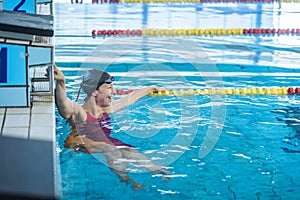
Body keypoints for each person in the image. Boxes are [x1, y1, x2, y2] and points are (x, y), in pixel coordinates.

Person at [52, 65, 170, 190]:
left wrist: (151, 88)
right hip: (79, 143)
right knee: (110, 148)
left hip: (101, 141)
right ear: (94, 91)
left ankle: (155, 169)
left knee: (129, 150)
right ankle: (127, 180)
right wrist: (61, 81)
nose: (113, 92)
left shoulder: (106, 110)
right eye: (109, 88)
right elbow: (63, 104)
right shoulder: (81, 113)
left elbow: (131, 98)